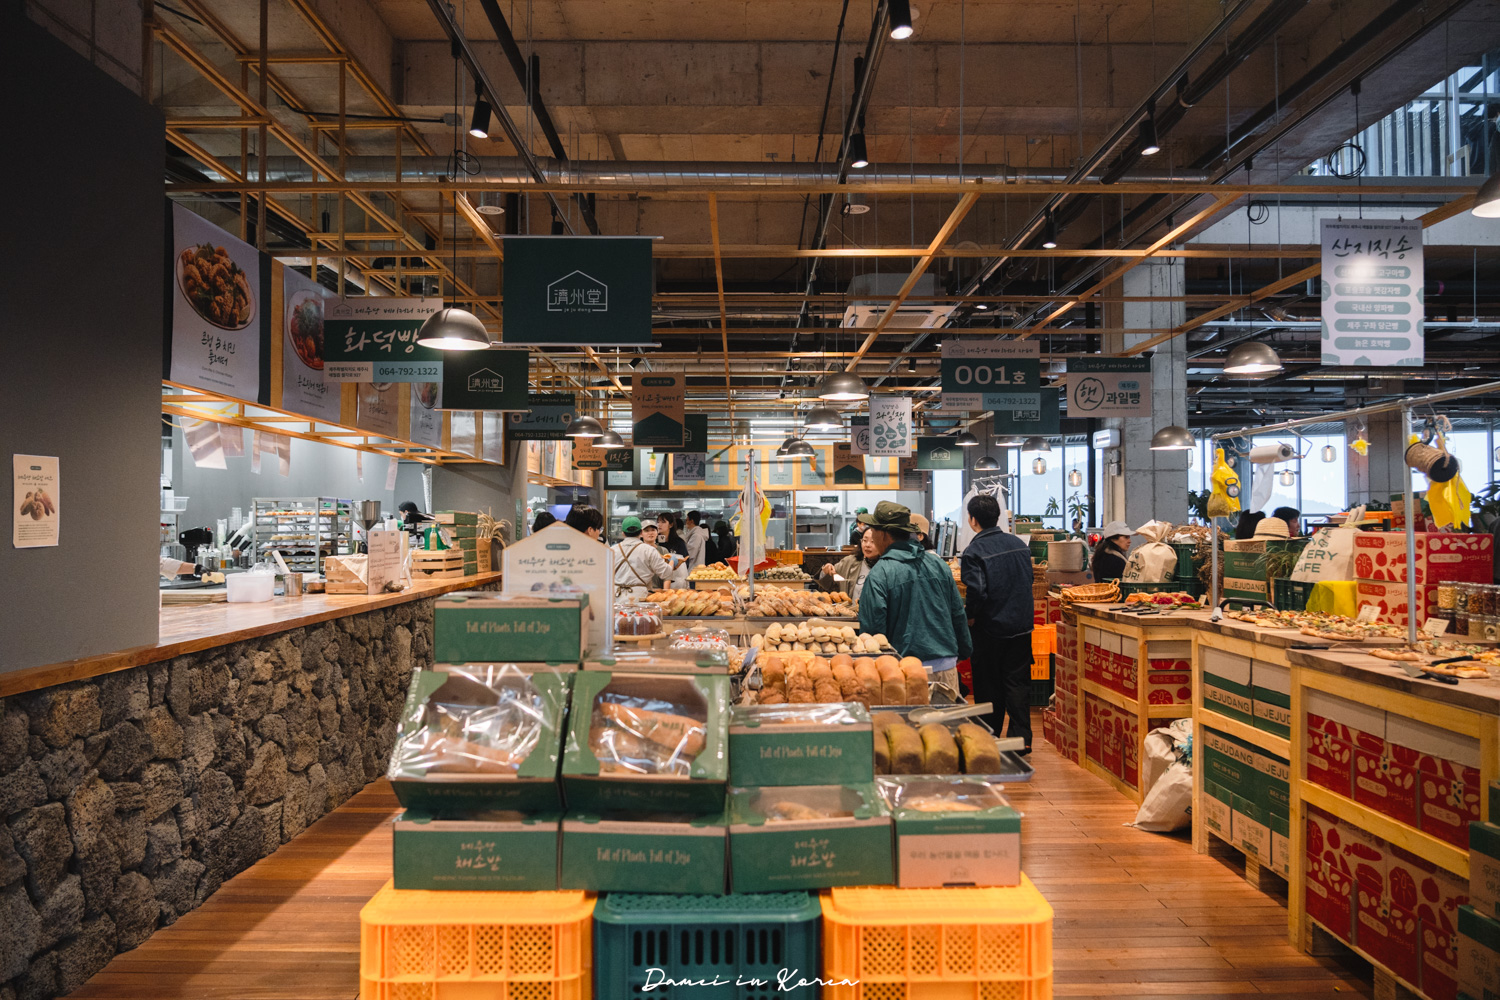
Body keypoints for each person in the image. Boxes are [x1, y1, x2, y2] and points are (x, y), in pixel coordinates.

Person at [856, 501, 971, 694]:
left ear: (883, 533)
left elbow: (873, 632)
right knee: (946, 724)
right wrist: (964, 650)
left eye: (873, 530)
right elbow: (957, 613)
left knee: (905, 724)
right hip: (946, 668)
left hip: (902, 672)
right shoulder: (938, 565)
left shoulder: (880, 573)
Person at [960, 494, 1035, 751]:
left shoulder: (974, 551)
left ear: (972, 520)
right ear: (998, 517)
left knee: (988, 685)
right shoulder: (1019, 544)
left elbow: (977, 591)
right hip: (1022, 627)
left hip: (991, 629)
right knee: (1017, 684)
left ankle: (989, 739)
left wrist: (970, 615)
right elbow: (1029, 582)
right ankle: (1021, 740)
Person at [611, 516, 672, 599]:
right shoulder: (649, 550)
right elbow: (666, 573)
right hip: (639, 597)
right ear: (641, 532)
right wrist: (672, 562)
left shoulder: (612, 550)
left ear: (623, 533)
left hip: (616, 597)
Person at [817, 526, 881, 600]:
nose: (867, 545)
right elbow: (827, 584)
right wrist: (826, 571)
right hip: (851, 610)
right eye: (865, 540)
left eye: (873, 542)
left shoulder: (887, 567)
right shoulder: (850, 561)